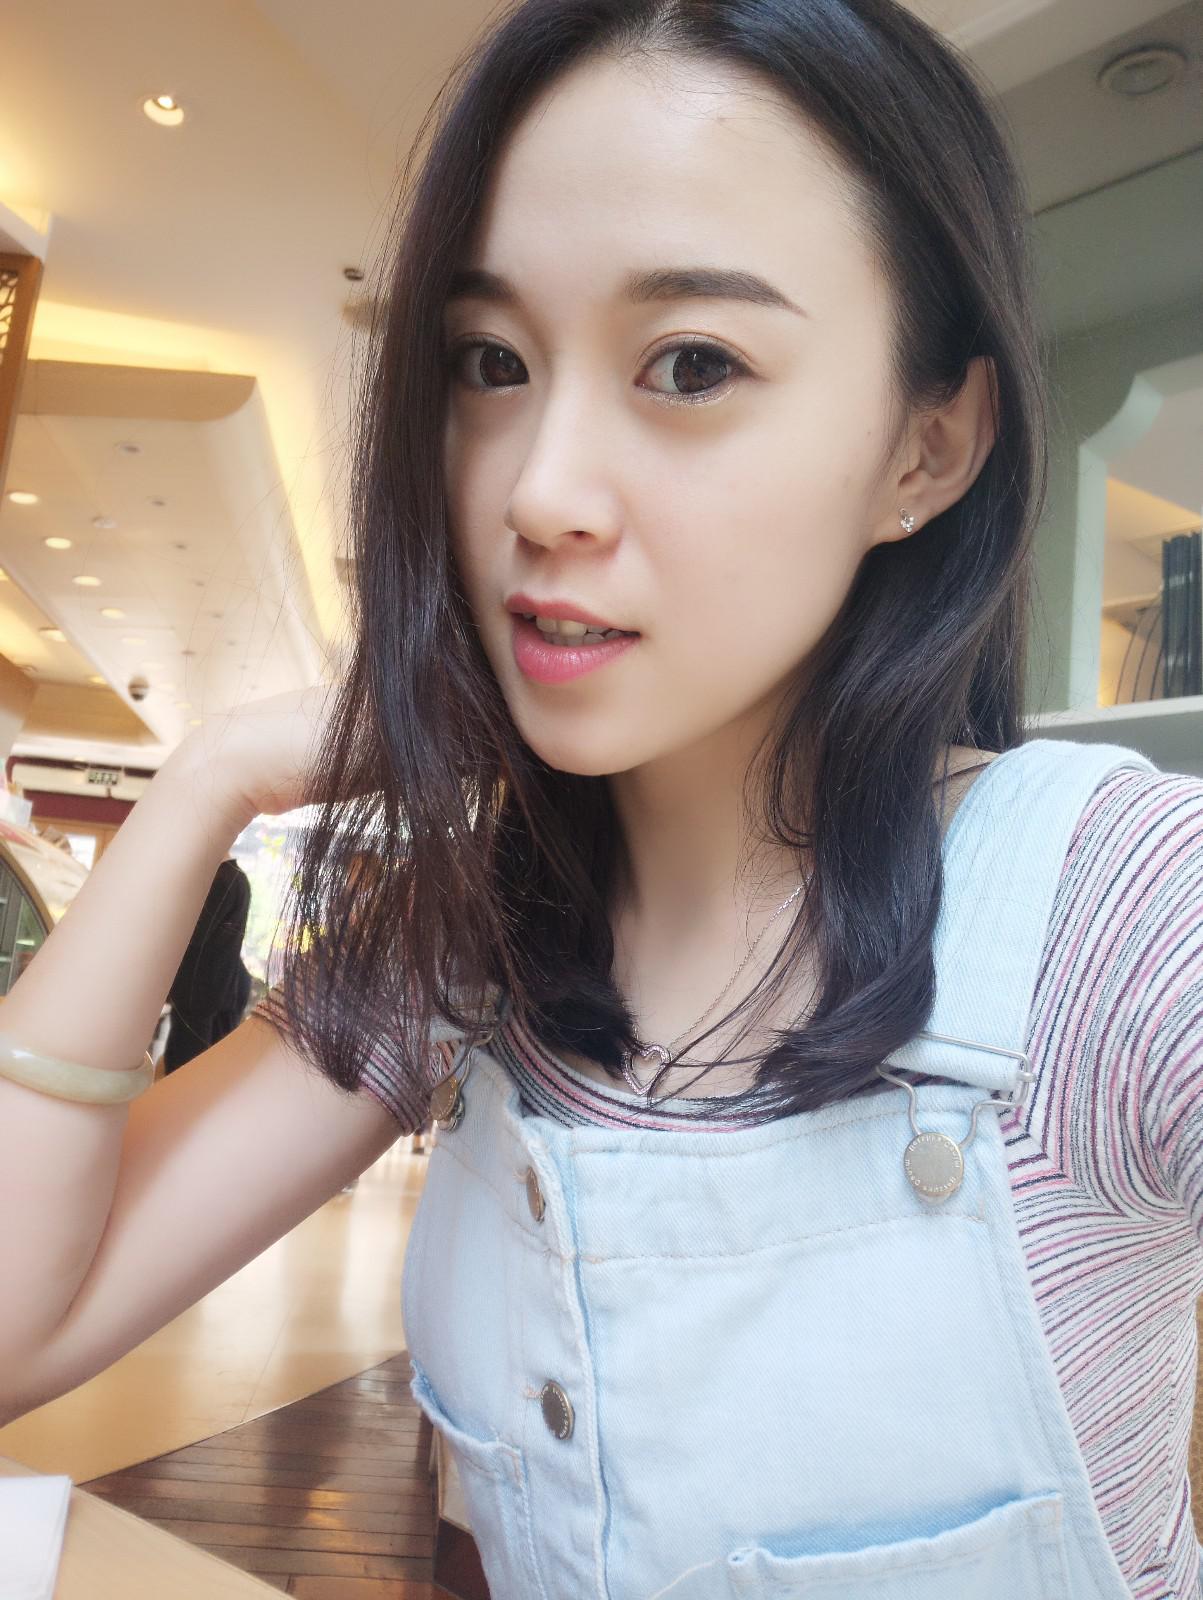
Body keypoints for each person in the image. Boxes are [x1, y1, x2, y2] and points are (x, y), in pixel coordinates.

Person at [0, 3, 1200, 1596]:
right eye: (490, 365)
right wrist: (202, 781)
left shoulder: (1113, 915)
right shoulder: (463, 942)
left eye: (691, 365)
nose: (538, 489)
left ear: (927, 446)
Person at [163, 855, 253, 1072]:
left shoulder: (222, 879)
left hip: (200, 989)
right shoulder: (236, 877)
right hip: (214, 986)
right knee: (199, 1061)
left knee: (184, 1064)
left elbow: (194, 934)